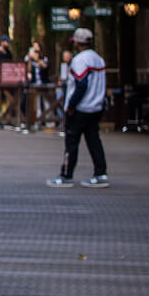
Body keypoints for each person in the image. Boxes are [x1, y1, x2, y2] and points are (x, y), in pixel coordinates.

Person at [49, 27, 109, 187]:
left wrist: (71, 105)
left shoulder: (79, 60)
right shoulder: (99, 59)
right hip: (96, 107)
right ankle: (101, 173)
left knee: (71, 142)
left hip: (80, 108)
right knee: (94, 140)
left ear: (77, 42)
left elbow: (81, 85)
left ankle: (66, 175)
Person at [21, 40, 48, 131]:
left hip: (43, 85)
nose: (36, 51)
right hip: (32, 85)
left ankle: (44, 121)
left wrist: (38, 60)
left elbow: (45, 67)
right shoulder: (29, 59)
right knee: (33, 105)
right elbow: (27, 72)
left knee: (44, 104)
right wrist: (30, 59)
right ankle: (31, 121)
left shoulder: (44, 59)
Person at [0, 37, 16, 129]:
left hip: (8, 80)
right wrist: (3, 67)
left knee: (11, 100)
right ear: (1, 42)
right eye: (6, 42)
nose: (8, 44)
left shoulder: (9, 53)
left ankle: (6, 118)